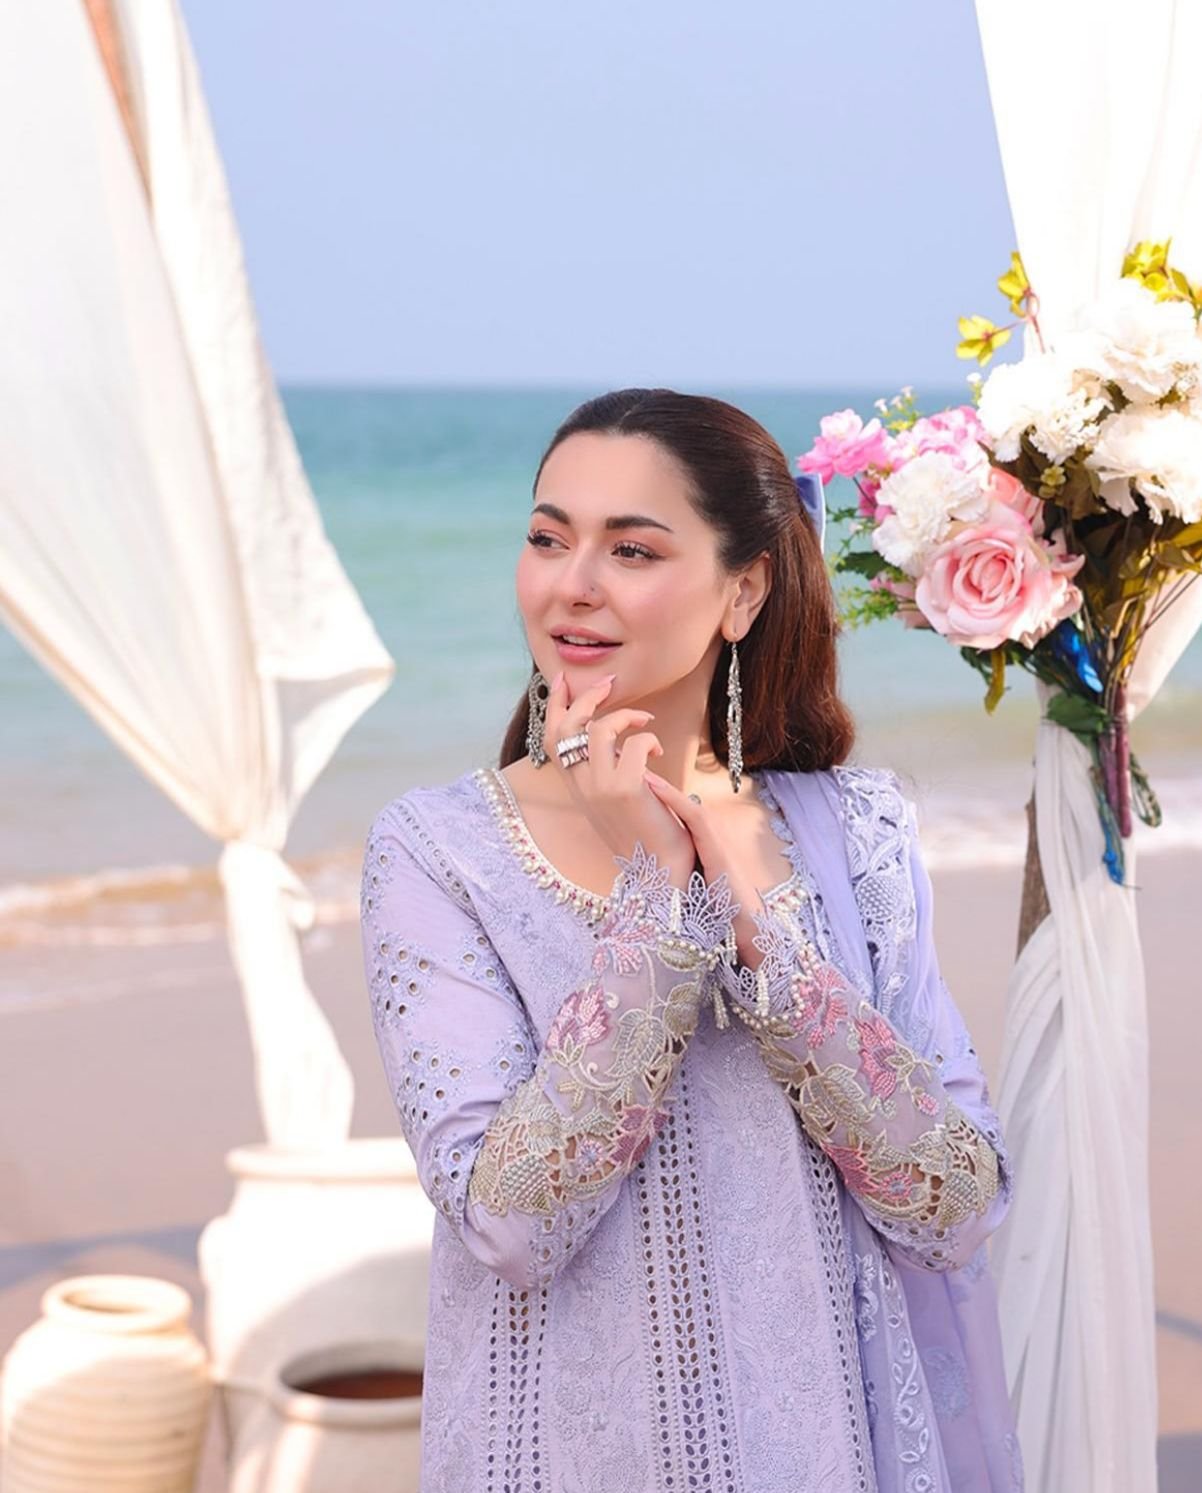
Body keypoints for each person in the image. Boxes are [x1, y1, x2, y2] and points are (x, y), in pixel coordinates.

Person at [359, 388, 1023, 1493]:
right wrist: (655, 903)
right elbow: (513, 1223)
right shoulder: (435, 851)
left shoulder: (857, 830)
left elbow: (955, 1205)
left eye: (631, 549)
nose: (573, 584)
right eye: (547, 537)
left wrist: (762, 938)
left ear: (743, 589)